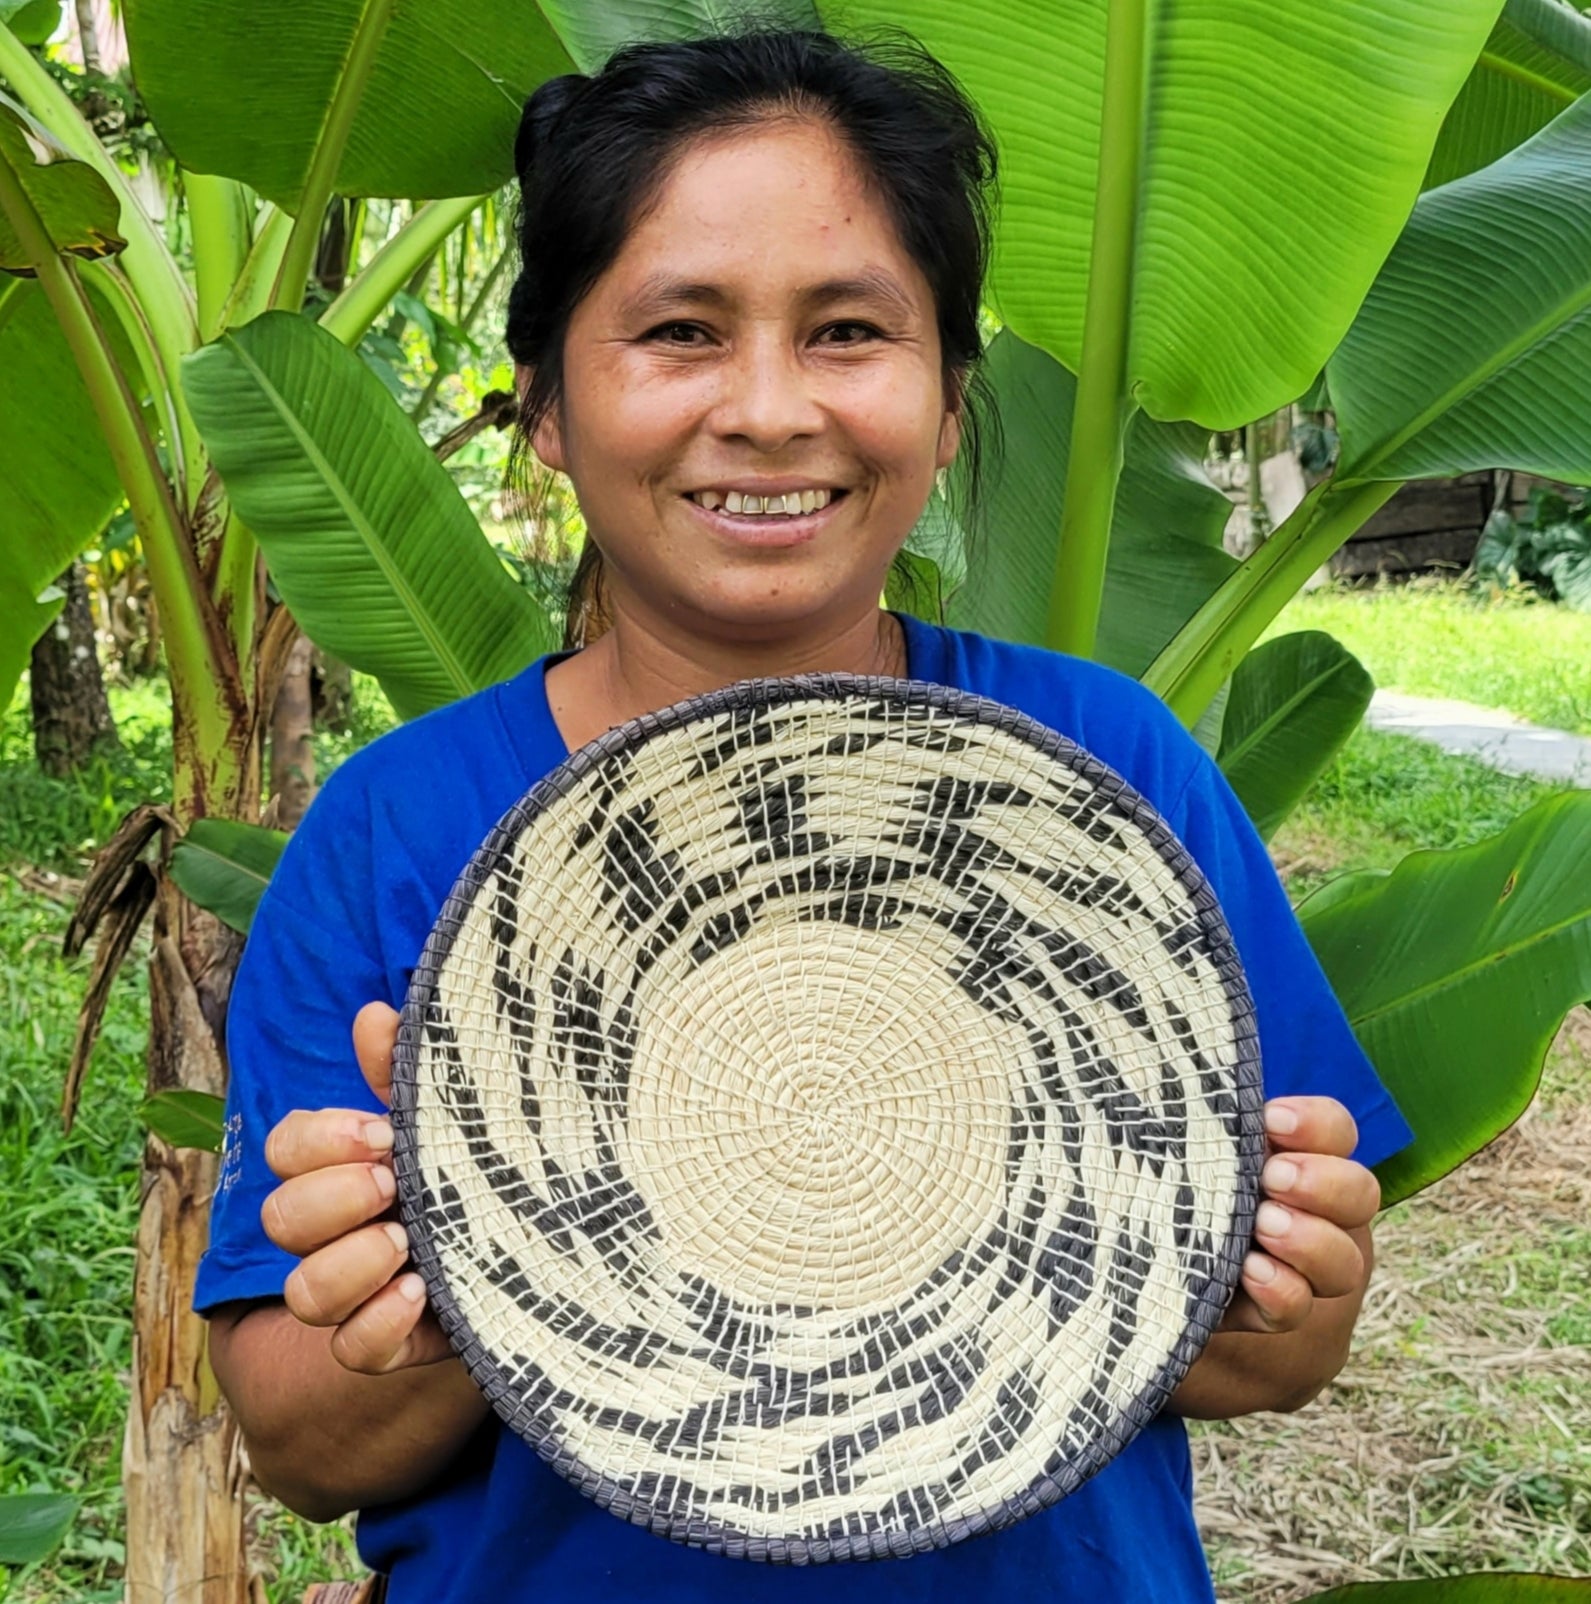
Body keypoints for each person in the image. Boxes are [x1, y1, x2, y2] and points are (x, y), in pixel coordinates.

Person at [198, 28, 1412, 1602]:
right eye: (681, 332)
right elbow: (296, 1443)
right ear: (547, 406)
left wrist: (1287, 1284)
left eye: (848, 331)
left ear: (953, 403)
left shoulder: (1114, 772)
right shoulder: (396, 831)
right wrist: (481, 1260)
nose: (769, 410)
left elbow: (1280, 1356)